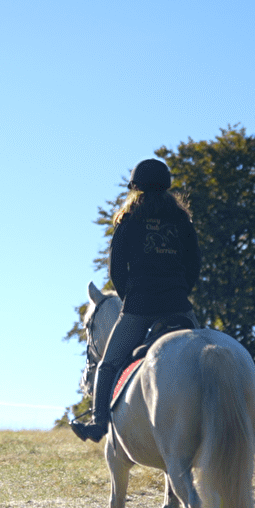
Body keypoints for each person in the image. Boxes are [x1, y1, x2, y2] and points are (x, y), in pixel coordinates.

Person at [71, 158, 201, 442]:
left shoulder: (129, 221)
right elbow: (194, 264)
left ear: (136, 187)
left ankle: (98, 424)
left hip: (140, 307)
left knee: (108, 365)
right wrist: (180, 291)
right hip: (179, 306)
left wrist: (130, 299)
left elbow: (116, 271)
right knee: (205, 353)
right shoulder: (182, 220)